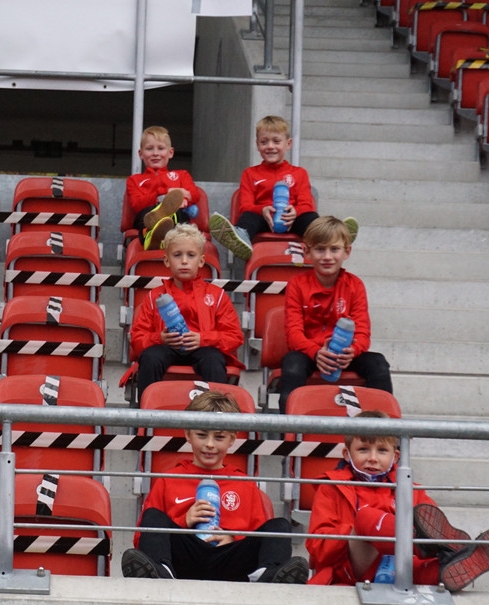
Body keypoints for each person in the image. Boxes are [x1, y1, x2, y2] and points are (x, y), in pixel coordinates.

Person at [307, 414, 489, 590]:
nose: (373, 458)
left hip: (399, 567)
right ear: (347, 454)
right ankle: (425, 542)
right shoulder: (331, 487)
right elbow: (317, 547)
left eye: (382, 450)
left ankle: (456, 564)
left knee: (432, 570)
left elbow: (433, 523)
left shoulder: (410, 489)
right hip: (352, 569)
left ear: (396, 456)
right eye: (363, 449)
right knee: (366, 517)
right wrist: (361, 532)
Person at [121, 390, 309, 583]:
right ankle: (162, 573)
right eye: (202, 435)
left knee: (279, 526)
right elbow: (141, 539)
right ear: (188, 434)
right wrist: (183, 522)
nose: (210, 444)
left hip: (231, 561)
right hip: (185, 560)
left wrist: (233, 538)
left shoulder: (245, 484)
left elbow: (258, 537)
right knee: (153, 516)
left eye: (219, 437)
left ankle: (266, 576)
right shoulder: (169, 480)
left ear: (232, 439)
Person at [278, 215, 392, 414]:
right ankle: (288, 428)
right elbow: (293, 334)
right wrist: (316, 352)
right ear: (307, 252)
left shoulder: (355, 285)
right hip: (310, 353)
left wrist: (353, 351)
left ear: (347, 251)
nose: (327, 256)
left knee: (378, 363)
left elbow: (363, 332)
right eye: (320, 249)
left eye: (334, 249)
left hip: (345, 356)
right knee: (292, 363)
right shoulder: (296, 285)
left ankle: (382, 427)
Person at [208, 115, 357, 261]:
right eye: (264, 142)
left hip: (291, 220)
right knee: (248, 217)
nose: (270, 146)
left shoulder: (299, 173)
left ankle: (335, 237)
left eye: (276, 141)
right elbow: (245, 206)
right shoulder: (250, 173)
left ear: (288, 143)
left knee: (310, 218)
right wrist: (262, 210)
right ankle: (240, 241)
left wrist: (295, 212)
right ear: (257, 145)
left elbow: (307, 204)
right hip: (263, 220)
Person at [130, 224, 244, 397]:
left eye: (191, 255)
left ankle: (215, 413)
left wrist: (203, 339)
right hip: (166, 347)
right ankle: (146, 412)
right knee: (151, 357)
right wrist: (160, 338)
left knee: (213, 359)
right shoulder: (154, 296)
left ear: (201, 261)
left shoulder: (217, 295)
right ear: (167, 261)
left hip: (204, 348)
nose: (184, 261)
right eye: (177, 255)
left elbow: (234, 337)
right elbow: (137, 339)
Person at [126, 125, 205, 251]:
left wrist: (183, 199)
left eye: (161, 148)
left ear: (170, 152)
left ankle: (167, 235)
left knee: (179, 213)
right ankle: (152, 236)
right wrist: (163, 193)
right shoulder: (134, 180)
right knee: (146, 214)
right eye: (149, 149)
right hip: (147, 215)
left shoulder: (182, 175)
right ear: (141, 154)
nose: (155, 153)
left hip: (177, 217)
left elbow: (194, 195)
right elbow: (136, 204)